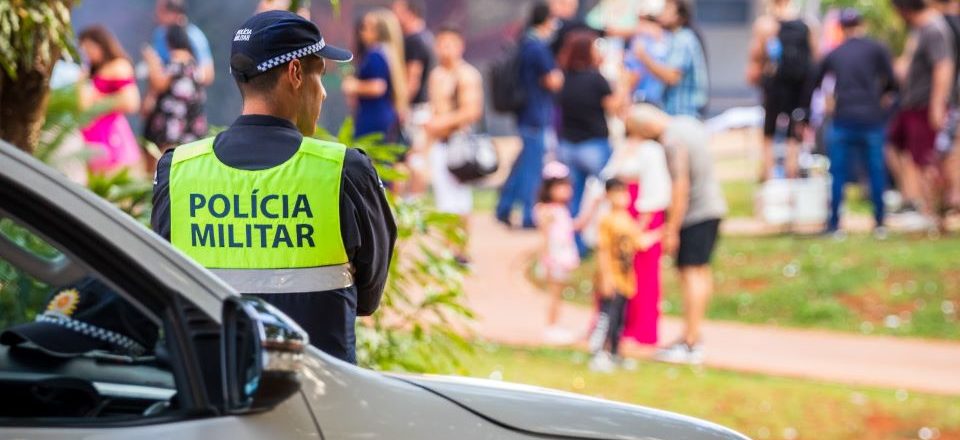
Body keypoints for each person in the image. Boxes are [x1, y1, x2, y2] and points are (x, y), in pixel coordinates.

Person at [151, 11, 397, 363]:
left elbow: (162, 285)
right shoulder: (344, 171)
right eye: (320, 76)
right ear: (296, 73)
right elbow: (368, 298)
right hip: (322, 401)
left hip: (212, 399)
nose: (324, 94)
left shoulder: (178, 170)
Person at [625, 104, 727, 365]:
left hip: (694, 213)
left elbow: (681, 185)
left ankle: (690, 342)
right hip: (714, 206)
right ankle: (692, 334)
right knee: (701, 271)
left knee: (690, 273)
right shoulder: (688, 123)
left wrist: (671, 228)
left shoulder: (671, 141)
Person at [813, 9, 897, 238]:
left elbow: (816, 82)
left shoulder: (835, 53)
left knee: (838, 173)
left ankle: (834, 225)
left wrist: (828, 103)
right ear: (862, 24)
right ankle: (880, 223)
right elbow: (892, 81)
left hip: (843, 118)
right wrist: (881, 99)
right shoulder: (876, 49)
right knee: (875, 171)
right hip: (871, 117)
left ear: (841, 27)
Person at [603, 105, 673, 346]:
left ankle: (642, 330)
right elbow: (607, 178)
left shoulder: (652, 151)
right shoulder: (623, 148)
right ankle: (616, 326)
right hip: (621, 214)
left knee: (644, 274)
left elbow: (656, 189)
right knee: (619, 270)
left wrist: (641, 224)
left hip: (642, 214)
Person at [496, 1, 565, 229]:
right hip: (535, 115)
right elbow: (552, 80)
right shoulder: (537, 47)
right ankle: (527, 215)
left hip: (526, 114)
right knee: (531, 168)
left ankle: (504, 207)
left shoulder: (525, 43)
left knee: (523, 163)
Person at [889, 0, 955, 232]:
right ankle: (915, 203)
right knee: (895, 146)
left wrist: (937, 104)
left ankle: (931, 213)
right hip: (911, 105)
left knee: (925, 160)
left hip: (925, 105)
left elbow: (944, 66)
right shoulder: (920, 30)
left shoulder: (934, 28)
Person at [588, 178, 662, 372]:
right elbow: (603, 250)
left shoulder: (627, 220)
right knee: (607, 318)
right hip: (612, 278)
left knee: (620, 319)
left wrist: (662, 232)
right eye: (618, 193)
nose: (622, 197)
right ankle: (599, 353)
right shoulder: (607, 220)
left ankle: (614, 353)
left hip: (626, 280)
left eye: (624, 193)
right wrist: (605, 278)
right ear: (608, 195)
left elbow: (640, 241)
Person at [423, 26, 484, 263]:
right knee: (444, 201)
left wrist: (441, 124)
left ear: (460, 45)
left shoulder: (467, 75)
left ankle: (461, 249)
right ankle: (449, 248)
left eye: (449, 43)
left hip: (459, 145)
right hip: (440, 144)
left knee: (460, 201)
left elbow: (472, 111)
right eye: (441, 44)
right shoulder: (436, 75)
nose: (444, 49)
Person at [557, 30, 617, 254]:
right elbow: (614, 107)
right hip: (594, 145)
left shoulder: (564, 79)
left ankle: (575, 246)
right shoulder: (596, 79)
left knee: (573, 199)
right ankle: (608, 239)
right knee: (608, 193)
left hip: (568, 145)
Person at [747, 0, 818, 181]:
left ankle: (769, 176)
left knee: (769, 129)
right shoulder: (808, 24)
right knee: (794, 128)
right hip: (799, 86)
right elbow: (816, 57)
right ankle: (791, 171)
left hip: (774, 85)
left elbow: (755, 58)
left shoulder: (765, 24)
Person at [76, 26, 143, 176]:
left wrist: (99, 102)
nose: (87, 52)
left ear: (101, 44)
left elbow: (131, 101)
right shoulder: (91, 71)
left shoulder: (118, 66)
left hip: (111, 137)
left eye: (89, 47)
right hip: (92, 137)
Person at [142, 25, 209, 162]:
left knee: (167, 164)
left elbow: (159, 83)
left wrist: (151, 60)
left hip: (173, 126)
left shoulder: (177, 61)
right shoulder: (194, 65)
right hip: (192, 124)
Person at [632, 0, 709, 118]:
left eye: (667, 8)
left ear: (679, 15)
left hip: (684, 115)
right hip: (677, 114)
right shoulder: (675, 38)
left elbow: (671, 77)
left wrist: (644, 57)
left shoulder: (683, 39)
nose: (662, 12)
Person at [343, 9, 409, 144]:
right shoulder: (388, 52)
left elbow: (378, 86)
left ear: (378, 31)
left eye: (367, 28)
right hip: (383, 115)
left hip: (373, 117)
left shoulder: (375, 54)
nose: (362, 32)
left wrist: (354, 86)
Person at [392, 0, 436, 196]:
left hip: (414, 110)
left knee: (411, 159)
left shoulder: (414, 40)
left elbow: (413, 78)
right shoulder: (426, 37)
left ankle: (412, 203)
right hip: (422, 108)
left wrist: (402, 106)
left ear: (409, 12)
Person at [535, 162, 580, 344]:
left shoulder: (561, 210)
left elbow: (573, 227)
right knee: (554, 294)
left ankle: (555, 325)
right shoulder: (547, 211)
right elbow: (545, 237)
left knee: (558, 293)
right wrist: (546, 259)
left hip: (562, 256)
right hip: (554, 257)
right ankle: (551, 326)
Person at [150, 0, 215, 86]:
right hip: (164, 95)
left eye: (162, 11)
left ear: (174, 13)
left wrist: (189, 69)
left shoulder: (194, 36)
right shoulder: (159, 34)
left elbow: (208, 74)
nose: (156, 14)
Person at [625, 7, 670, 107]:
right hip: (652, 99)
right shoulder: (670, 38)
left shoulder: (643, 40)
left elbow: (634, 74)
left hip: (652, 100)